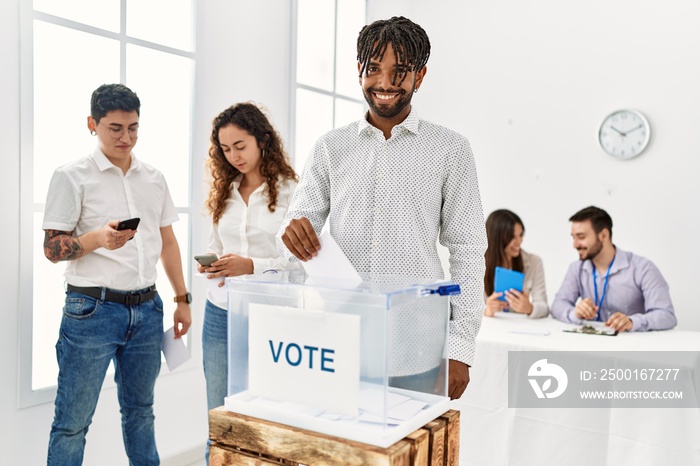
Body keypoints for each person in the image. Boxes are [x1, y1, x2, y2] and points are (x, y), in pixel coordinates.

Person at [278, 16, 487, 400]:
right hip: (336, 345)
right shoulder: (330, 147)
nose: (386, 83)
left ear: (419, 77)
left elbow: (469, 251)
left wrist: (460, 348)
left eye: (400, 72)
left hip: (417, 351)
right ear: (359, 71)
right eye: (374, 69)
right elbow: (292, 235)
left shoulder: (450, 150)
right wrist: (291, 233)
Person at [42, 83, 191, 465]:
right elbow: (52, 249)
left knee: (141, 413)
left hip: (147, 310)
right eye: (115, 128)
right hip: (91, 311)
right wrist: (97, 239)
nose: (127, 137)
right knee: (72, 424)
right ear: (92, 124)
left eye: (134, 127)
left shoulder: (154, 178)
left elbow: (169, 243)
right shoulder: (71, 175)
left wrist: (181, 298)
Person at [198, 103, 299, 461]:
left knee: (269, 412)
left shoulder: (291, 193)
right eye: (225, 149)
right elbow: (216, 246)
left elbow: (297, 265)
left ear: (261, 140)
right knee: (220, 413)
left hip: (270, 315)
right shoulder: (223, 192)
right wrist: (213, 266)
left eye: (240, 146)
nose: (233, 156)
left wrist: (250, 266)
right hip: (220, 313)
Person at [551, 206, 676, 331]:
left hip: (631, 344)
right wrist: (575, 313)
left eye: (581, 237)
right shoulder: (576, 268)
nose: (575, 245)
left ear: (604, 235)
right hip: (591, 343)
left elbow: (666, 315)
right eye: (573, 237)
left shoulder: (643, 268)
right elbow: (557, 305)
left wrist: (633, 321)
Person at [483, 209, 549, 318]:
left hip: (520, 327)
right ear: (496, 239)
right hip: (491, 329)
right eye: (512, 237)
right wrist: (487, 311)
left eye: (521, 235)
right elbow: (467, 310)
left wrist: (530, 308)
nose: (519, 241)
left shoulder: (534, 262)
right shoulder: (478, 265)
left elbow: (544, 308)